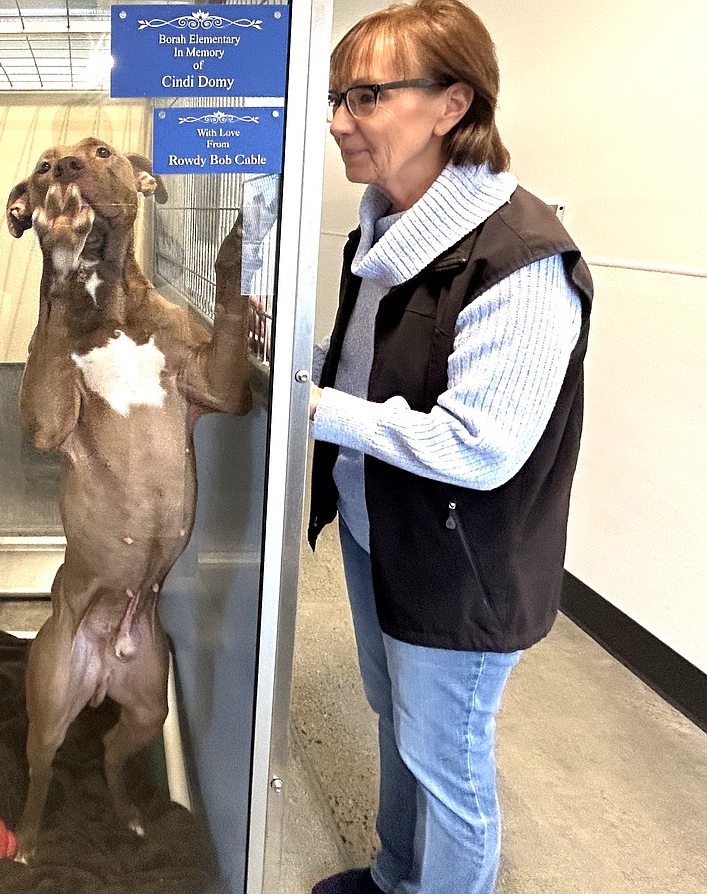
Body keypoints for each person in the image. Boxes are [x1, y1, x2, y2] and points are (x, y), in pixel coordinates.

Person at [306, 2, 593, 894]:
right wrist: (294, 366)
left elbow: (479, 446)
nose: (336, 121)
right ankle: (398, 876)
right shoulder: (386, 234)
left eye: (364, 96)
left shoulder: (520, 258)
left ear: (452, 103)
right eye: (334, 97)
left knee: (447, 766)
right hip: (381, 530)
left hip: (459, 562)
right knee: (395, 720)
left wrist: (306, 407)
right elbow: (377, 379)